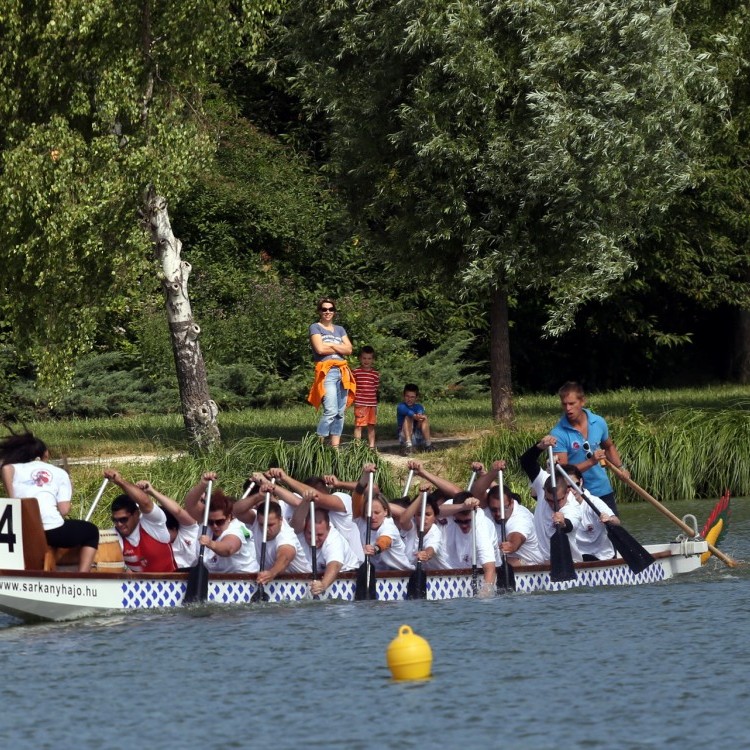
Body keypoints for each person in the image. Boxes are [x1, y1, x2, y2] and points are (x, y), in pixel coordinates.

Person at [0, 431, 99, 572]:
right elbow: (64, 510)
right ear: (45, 454)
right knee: (91, 531)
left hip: (22, 530)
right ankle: (82, 576)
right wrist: (70, 489)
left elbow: (5, 468)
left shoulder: (13, 468)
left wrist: (13, 499)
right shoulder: (60, 473)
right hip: (51, 532)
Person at [551, 381, 629, 514]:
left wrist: (620, 468)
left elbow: (609, 446)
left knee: (614, 531)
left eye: (572, 403)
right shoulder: (558, 433)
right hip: (576, 495)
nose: (568, 408)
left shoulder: (598, 422)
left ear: (582, 401)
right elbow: (563, 471)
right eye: (564, 404)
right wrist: (591, 461)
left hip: (603, 490)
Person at [184, 472, 258, 573]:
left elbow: (229, 549)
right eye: (211, 522)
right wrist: (203, 484)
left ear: (229, 517)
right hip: (214, 578)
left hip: (242, 579)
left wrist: (211, 543)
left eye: (219, 522)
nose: (214, 526)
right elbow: (190, 504)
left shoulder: (236, 528)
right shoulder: (205, 521)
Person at [105, 468, 176, 573]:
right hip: (140, 588)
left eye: (124, 519)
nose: (119, 524)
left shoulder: (152, 523)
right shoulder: (114, 535)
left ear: (136, 514)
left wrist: (119, 481)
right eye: (115, 520)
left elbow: (146, 502)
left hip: (169, 585)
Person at [307, 297, 355, 448]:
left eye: (330, 309)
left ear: (334, 312)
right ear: (319, 311)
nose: (327, 312)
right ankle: (318, 445)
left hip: (342, 371)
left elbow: (349, 350)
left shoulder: (340, 329)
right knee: (331, 410)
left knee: (340, 412)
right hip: (327, 371)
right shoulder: (315, 327)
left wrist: (330, 345)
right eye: (324, 309)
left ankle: (335, 448)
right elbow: (320, 349)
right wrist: (338, 345)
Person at [292, 495, 360, 596]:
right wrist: (305, 501)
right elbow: (296, 521)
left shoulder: (334, 539)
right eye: (310, 533)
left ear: (328, 529)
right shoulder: (299, 533)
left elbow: (335, 565)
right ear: (305, 528)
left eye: (320, 535)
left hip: (347, 577)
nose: (314, 539)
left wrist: (323, 585)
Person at [352, 464, 413, 570]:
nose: (372, 517)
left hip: (401, 574)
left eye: (377, 512)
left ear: (385, 512)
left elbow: (384, 541)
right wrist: (365, 476)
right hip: (376, 573)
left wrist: (374, 549)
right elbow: (357, 495)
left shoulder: (388, 526)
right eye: (369, 513)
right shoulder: (361, 520)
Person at [136, 480, 200, 570]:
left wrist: (152, 491)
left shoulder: (189, 530)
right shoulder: (155, 543)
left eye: (161, 530)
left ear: (174, 528)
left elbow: (177, 511)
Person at [396, 491, 450, 569]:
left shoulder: (434, 531)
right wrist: (421, 496)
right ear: (414, 516)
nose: (423, 518)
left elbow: (431, 548)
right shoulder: (411, 525)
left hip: (442, 576)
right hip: (412, 573)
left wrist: (426, 554)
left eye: (428, 514)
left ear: (435, 516)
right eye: (419, 514)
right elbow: (403, 521)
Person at [351, 345, 380, 449]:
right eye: (364, 358)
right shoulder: (356, 372)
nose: (366, 361)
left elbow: (375, 389)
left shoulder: (375, 374)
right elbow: (353, 387)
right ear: (360, 358)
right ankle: (357, 447)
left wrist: (375, 404)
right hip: (360, 403)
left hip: (372, 404)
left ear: (373, 359)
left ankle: (371, 447)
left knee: (371, 426)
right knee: (358, 425)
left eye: (369, 358)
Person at [397, 384, 434, 455]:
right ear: (403, 396)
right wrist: (414, 416)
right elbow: (409, 413)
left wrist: (419, 416)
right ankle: (408, 446)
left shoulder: (419, 407)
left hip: (417, 435)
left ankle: (428, 445)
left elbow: (420, 412)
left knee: (424, 418)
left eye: (412, 397)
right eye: (407, 396)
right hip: (405, 436)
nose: (409, 399)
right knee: (408, 417)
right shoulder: (400, 406)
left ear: (416, 398)